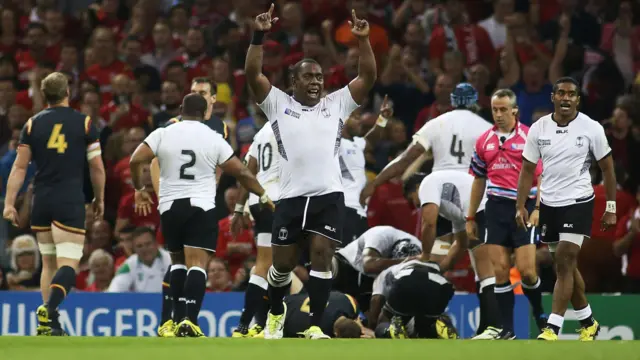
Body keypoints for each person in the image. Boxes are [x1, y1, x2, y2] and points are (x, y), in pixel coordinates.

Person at [245, 4, 376, 339]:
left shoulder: (336, 104)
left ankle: (316, 325)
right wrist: (258, 36)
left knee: (322, 256)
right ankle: (275, 312)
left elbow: (368, 78)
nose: (316, 82)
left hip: (327, 196)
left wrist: (363, 41)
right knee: (282, 267)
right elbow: (252, 75)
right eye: (309, 76)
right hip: (289, 198)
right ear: (294, 81)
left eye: (319, 76)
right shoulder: (278, 104)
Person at [129, 93, 274, 338]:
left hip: (170, 205)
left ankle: (171, 323)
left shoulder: (163, 132)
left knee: (177, 263)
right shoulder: (213, 137)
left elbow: (136, 160)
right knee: (197, 264)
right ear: (206, 112)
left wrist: (139, 189)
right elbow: (241, 171)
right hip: (201, 205)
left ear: (181, 109)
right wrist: (262, 194)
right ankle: (190, 320)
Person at [3, 72, 106, 336]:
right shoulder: (83, 123)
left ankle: (49, 323)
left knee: (48, 264)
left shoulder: (32, 124)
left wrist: (10, 203)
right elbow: (96, 166)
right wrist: (99, 198)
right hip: (68, 199)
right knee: (69, 263)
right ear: (66, 92)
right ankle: (49, 310)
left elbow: (19, 166)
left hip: (41, 200)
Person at [516, 77, 616, 341]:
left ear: (577, 99)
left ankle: (553, 327)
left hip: (579, 200)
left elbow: (607, 167)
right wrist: (520, 205)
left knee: (565, 258)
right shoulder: (539, 128)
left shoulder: (591, 128)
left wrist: (611, 206)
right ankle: (588, 321)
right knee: (565, 266)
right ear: (553, 97)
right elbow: (527, 169)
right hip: (549, 203)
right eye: (561, 93)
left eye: (571, 94)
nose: (566, 98)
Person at [466, 89, 548, 335]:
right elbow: (479, 179)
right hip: (495, 208)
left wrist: (538, 209)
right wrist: (470, 216)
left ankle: (539, 314)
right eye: (494, 109)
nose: (498, 114)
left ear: (515, 111)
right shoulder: (483, 141)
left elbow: (542, 176)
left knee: (527, 270)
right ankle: (507, 329)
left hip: (524, 207)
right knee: (500, 270)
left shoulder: (530, 137)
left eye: (503, 109)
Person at [403, 170, 507, 339]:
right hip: (483, 207)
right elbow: (460, 244)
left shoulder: (426, 184)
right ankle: (485, 328)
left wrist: (425, 256)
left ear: (416, 188)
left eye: (412, 200)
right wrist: (439, 270)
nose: (416, 206)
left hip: (483, 207)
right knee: (480, 274)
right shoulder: (452, 204)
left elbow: (428, 223)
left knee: (485, 272)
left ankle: (496, 328)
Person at [230, 123, 281, 338]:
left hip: (258, 202)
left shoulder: (261, 132)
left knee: (264, 265)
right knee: (281, 265)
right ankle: (266, 322)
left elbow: (247, 171)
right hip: (278, 200)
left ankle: (248, 325)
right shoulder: (293, 125)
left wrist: (239, 209)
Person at [333, 225, 422, 312]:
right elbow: (369, 265)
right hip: (346, 266)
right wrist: (404, 261)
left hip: (368, 290)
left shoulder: (420, 256)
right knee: (327, 266)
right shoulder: (382, 234)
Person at [339, 96, 390, 245]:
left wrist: (383, 119)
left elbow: (371, 140)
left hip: (358, 211)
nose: (360, 120)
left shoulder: (355, 143)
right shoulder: (334, 143)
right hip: (344, 209)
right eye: (355, 117)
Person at [370, 260, 457, 340]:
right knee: (424, 328)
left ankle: (391, 330)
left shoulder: (382, 275)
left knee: (385, 321)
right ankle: (440, 330)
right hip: (440, 283)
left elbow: (376, 299)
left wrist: (373, 328)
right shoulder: (426, 263)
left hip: (408, 279)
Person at [280, 291, 369, 339]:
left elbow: (352, 301)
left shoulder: (349, 302)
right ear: (335, 333)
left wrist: (359, 322)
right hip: (280, 308)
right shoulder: (321, 331)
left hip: (297, 297)